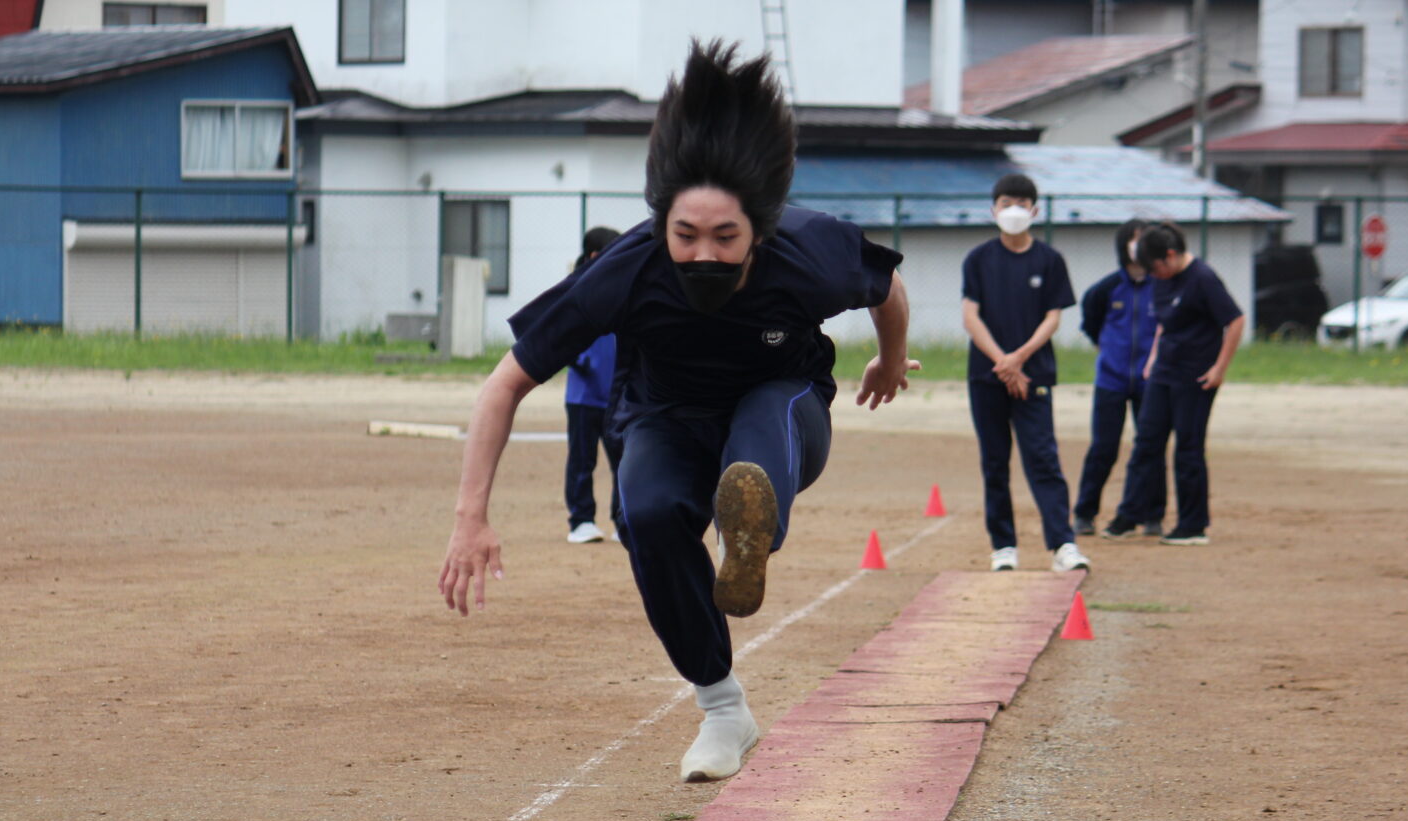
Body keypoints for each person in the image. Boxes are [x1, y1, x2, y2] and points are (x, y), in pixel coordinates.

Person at [439, 40, 917, 783]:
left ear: (760, 228)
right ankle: (724, 709)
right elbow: (503, 384)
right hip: (663, 415)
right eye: (684, 235)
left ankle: (748, 525)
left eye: (725, 238)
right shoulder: (623, 271)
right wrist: (471, 516)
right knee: (650, 514)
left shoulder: (812, 251)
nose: (702, 255)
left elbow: (885, 289)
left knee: (757, 443)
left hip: (786, 407)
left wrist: (890, 359)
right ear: (661, 222)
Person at [960, 174, 1088, 573]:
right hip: (987, 376)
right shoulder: (978, 259)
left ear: (1034, 210)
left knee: (1043, 458)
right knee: (995, 462)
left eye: (1021, 203)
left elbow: (1053, 318)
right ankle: (1004, 547)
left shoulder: (1049, 260)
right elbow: (970, 316)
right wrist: (1002, 361)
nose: (1013, 211)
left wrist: (1020, 358)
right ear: (993, 209)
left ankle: (1063, 545)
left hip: (1035, 376)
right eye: (1005, 203)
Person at [1102, 222, 1245, 545]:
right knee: (1146, 443)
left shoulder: (1203, 279)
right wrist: (1153, 358)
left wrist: (1219, 368)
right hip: (1164, 372)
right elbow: (1166, 324)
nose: (1153, 276)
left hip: (1196, 377)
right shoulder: (1161, 281)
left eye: (1155, 268)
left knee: (1188, 448)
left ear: (1170, 256)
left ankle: (1193, 525)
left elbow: (1235, 320)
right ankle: (1131, 514)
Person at [1074, 218, 1164, 538]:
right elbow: (1090, 320)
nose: (1138, 246)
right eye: (1134, 240)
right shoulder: (1108, 287)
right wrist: (1108, 350)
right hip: (1110, 381)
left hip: (1150, 381)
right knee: (1104, 448)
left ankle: (1153, 515)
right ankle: (1085, 512)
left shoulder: (1161, 285)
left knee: (1150, 447)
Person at [561, 226, 625, 544]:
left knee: (626, 462)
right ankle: (581, 521)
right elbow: (559, 337)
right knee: (583, 460)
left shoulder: (625, 288)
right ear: (595, 256)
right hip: (585, 395)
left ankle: (623, 521)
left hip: (619, 395)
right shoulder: (576, 289)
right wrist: (582, 360)